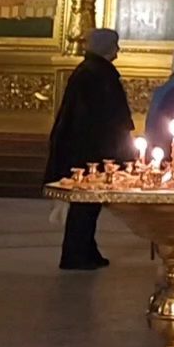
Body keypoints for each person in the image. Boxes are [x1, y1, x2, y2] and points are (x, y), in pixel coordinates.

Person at [44, 30, 133, 270]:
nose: (118, 50)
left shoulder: (91, 71)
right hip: (89, 149)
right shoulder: (96, 75)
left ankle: (86, 249)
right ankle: (75, 254)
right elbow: (101, 116)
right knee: (85, 203)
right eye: (115, 45)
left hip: (86, 146)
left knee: (89, 204)